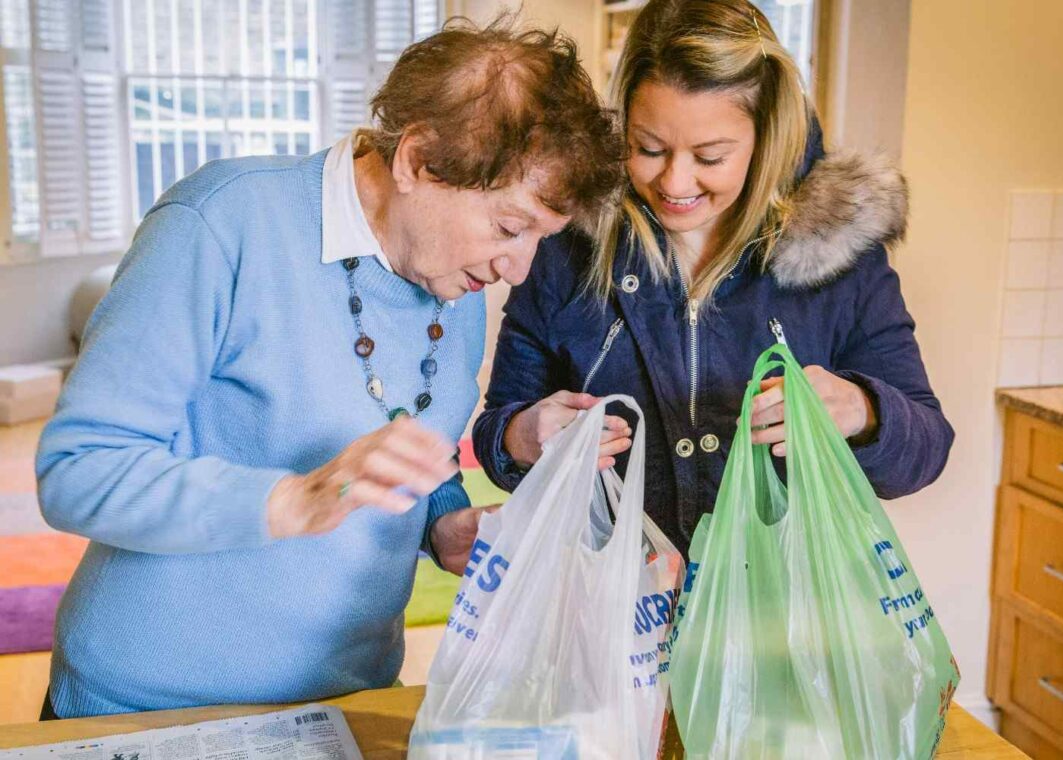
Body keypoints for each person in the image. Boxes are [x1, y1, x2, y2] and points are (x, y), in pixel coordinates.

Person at [35, 18, 624, 718]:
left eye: (540, 239)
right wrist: (290, 500)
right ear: (416, 160)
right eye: (508, 227)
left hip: (344, 701)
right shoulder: (222, 223)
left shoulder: (449, 275)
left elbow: (411, 443)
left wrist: (445, 525)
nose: (517, 268)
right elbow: (78, 469)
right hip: (155, 702)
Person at [473, 0, 953, 554]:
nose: (675, 181)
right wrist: (522, 436)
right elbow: (498, 435)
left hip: (780, 623)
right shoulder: (567, 249)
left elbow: (927, 449)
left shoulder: (841, 254)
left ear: (765, 136)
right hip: (610, 617)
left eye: (710, 156)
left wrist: (863, 413)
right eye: (647, 148)